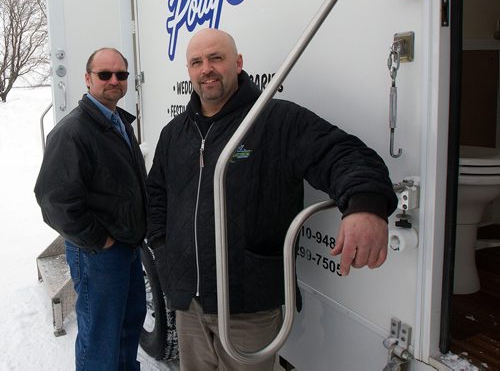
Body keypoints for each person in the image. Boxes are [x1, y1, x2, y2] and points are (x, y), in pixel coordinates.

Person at [146, 28, 398, 371]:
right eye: (196, 62)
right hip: (188, 305)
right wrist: (163, 251)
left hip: (248, 307)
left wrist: (366, 206)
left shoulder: (276, 120)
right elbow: (156, 195)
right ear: (189, 71)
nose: (206, 68)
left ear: (238, 63)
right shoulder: (175, 133)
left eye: (216, 58)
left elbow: (345, 154)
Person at [34, 47, 148, 371]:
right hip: (98, 254)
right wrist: (101, 240)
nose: (114, 80)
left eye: (121, 74)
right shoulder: (73, 131)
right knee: (101, 340)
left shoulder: (116, 122)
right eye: (104, 74)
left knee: (127, 329)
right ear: (87, 79)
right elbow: (53, 200)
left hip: (126, 249)